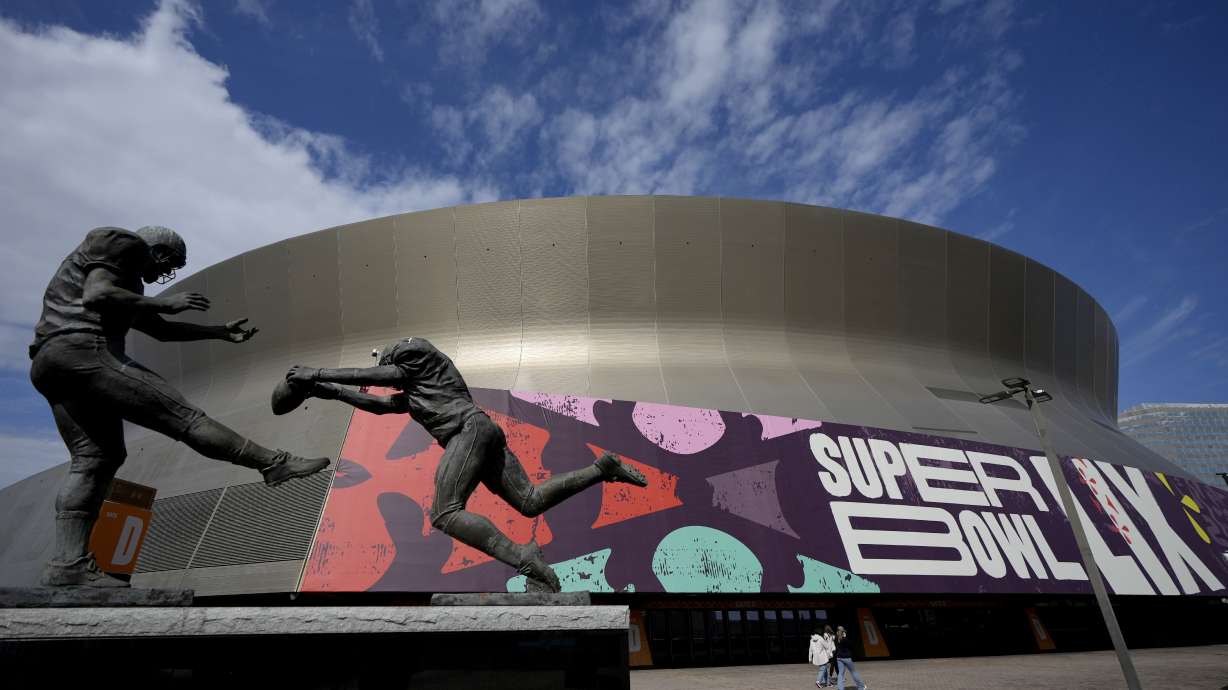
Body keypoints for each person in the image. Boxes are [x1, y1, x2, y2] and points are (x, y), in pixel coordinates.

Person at [29, 226, 331, 588]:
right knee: (185, 417)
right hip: (82, 349)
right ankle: (273, 464)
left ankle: (68, 565)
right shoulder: (120, 241)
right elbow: (97, 295)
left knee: (96, 459)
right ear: (155, 250)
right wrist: (163, 301)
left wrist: (218, 331)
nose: (165, 275)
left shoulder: (130, 288)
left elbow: (161, 331)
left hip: (50, 363)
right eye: (170, 264)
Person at [283, 337, 649, 591]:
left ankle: (524, 556)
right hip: (482, 431)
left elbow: (380, 377)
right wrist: (329, 391)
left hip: (467, 429)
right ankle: (601, 469)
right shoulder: (417, 392)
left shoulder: (416, 355)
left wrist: (317, 373)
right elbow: (380, 405)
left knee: (444, 513)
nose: (391, 380)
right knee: (530, 501)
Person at [833, 625, 867, 689]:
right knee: (853, 672)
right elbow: (849, 645)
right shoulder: (844, 638)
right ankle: (861, 687)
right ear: (843, 630)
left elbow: (837, 646)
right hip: (846, 657)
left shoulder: (836, 637)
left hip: (839, 657)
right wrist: (845, 637)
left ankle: (840, 688)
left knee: (840, 674)